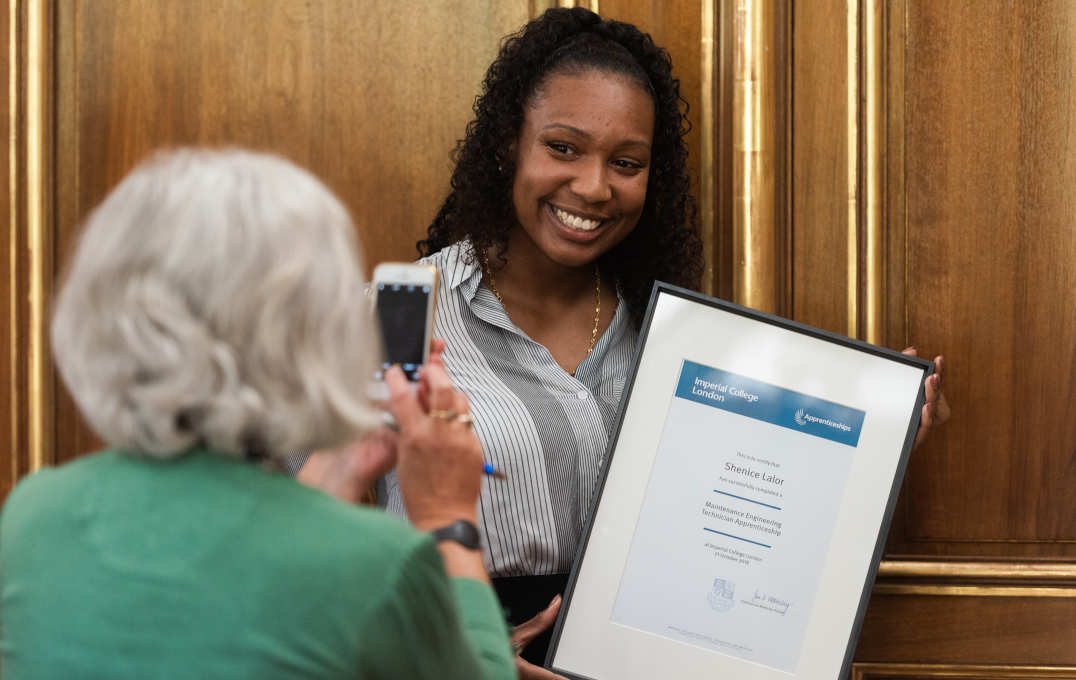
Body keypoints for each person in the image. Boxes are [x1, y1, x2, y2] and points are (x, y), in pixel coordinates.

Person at [315, 7, 949, 677]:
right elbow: (292, 540)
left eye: (625, 162)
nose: (592, 187)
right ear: (509, 143)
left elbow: (745, 499)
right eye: (562, 147)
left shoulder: (673, 337)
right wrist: (465, 652)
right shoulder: (391, 320)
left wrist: (877, 438)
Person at [0, 149, 516, 679]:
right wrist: (448, 518)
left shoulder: (34, 515)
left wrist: (332, 475)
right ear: (314, 330)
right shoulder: (378, 565)